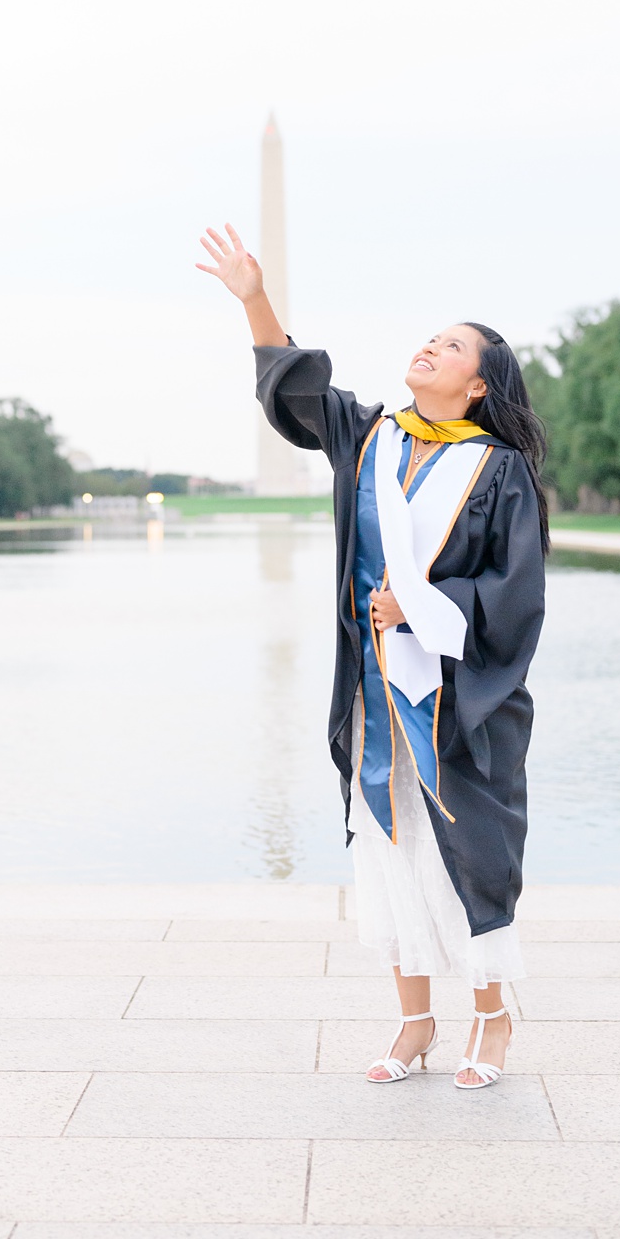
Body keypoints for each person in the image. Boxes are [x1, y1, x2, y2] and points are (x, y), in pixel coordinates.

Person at [198, 223, 549, 1091]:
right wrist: (252, 298)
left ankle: (495, 1022)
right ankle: (415, 1023)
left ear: (478, 384)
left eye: (453, 345)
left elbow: (516, 599)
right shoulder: (371, 439)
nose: (431, 345)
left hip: (456, 701)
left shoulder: (499, 474)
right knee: (389, 854)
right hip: (371, 695)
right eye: (432, 336)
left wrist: (420, 610)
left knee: (471, 852)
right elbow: (299, 394)